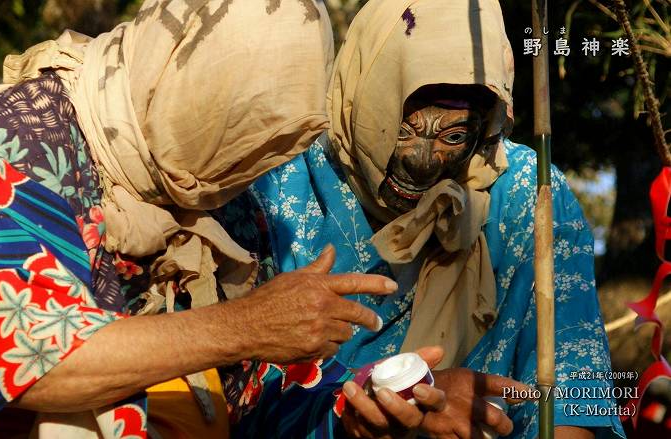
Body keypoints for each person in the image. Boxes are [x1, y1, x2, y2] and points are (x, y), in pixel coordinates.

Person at [0, 1, 399, 437]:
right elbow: (35, 358)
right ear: (179, 69)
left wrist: (351, 412)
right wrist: (246, 325)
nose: (240, 167)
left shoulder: (211, 205)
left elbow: (246, 404)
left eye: (268, 148)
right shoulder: (15, 147)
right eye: (234, 122)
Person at [216, 0, 626, 437]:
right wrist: (355, 412)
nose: (423, 163)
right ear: (361, 99)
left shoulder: (530, 194)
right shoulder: (272, 185)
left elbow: (573, 389)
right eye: (402, 129)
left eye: (454, 136)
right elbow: (232, 390)